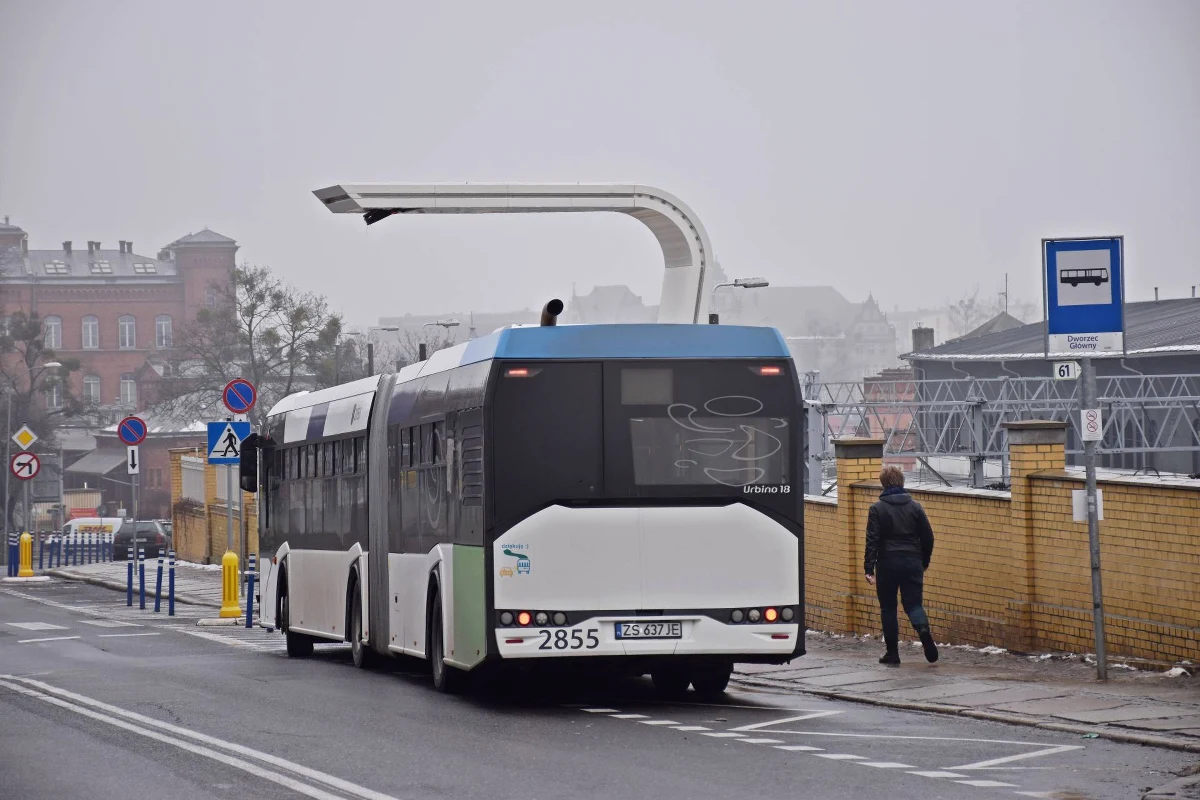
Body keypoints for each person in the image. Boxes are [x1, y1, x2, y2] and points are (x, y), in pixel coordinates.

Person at [864, 466, 938, 665]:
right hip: (913, 561)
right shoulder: (915, 507)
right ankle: (923, 632)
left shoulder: (877, 508)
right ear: (902, 481)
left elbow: (872, 540)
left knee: (888, 608)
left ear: (883, 484)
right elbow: (928, 537)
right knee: (914, 604)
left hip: (888, 563)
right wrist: (923, 560)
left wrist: (869, 568)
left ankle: (893, 653)